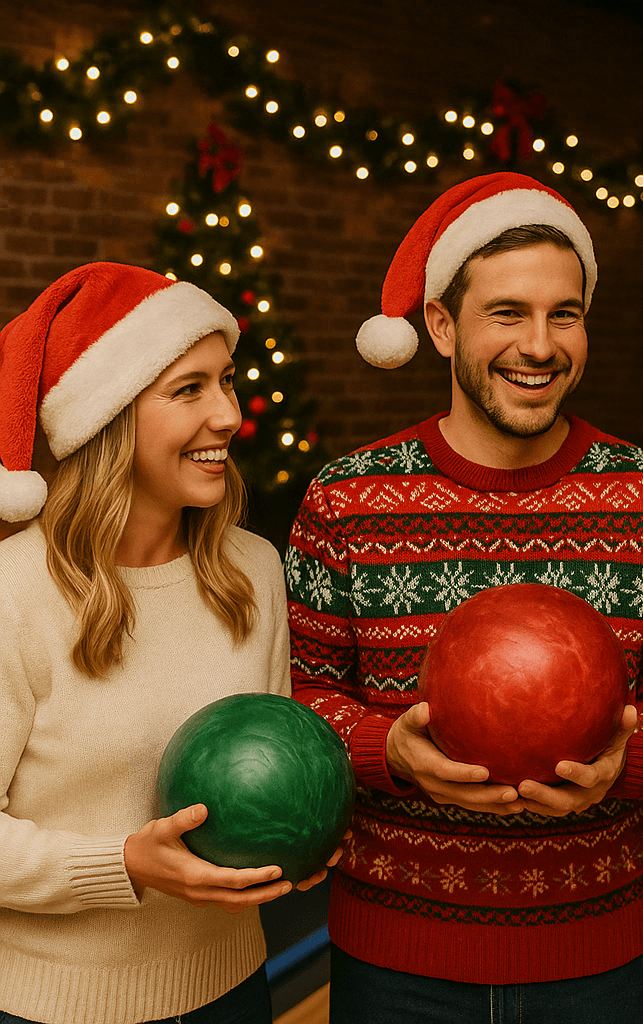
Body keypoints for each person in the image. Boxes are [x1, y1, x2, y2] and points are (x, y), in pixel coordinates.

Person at [286, 172, 643, 1023]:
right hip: (393, 959)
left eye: (565, 313)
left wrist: (622, 768)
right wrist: (393, 753)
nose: (540, 344)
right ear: (442, 327)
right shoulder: (345, 498)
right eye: (507, 313)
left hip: (592, 957)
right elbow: (305, 696)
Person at [0, 262, 333, 1024]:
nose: (227, 416)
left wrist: (301, 831)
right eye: (189, 389)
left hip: (234, 992)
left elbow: (276, 759)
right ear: (109, 418)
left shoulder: (253, 568)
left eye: (226, 381)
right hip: (52, 1011)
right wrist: (123, 865)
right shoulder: (12, 595)